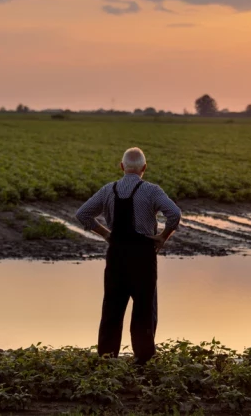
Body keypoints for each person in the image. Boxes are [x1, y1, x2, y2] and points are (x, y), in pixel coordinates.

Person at [75, 147, 181, 364]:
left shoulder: (108, 190)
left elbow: (82, 214)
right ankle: (143, 360)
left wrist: (106, 234)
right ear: (144, 168)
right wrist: (163, 237)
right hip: (143, 255)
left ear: (122, 166)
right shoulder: (151, 190)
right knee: (143, 307)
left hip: (117, 255)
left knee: (112, 307)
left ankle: (106, 358)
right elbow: (175, 213)